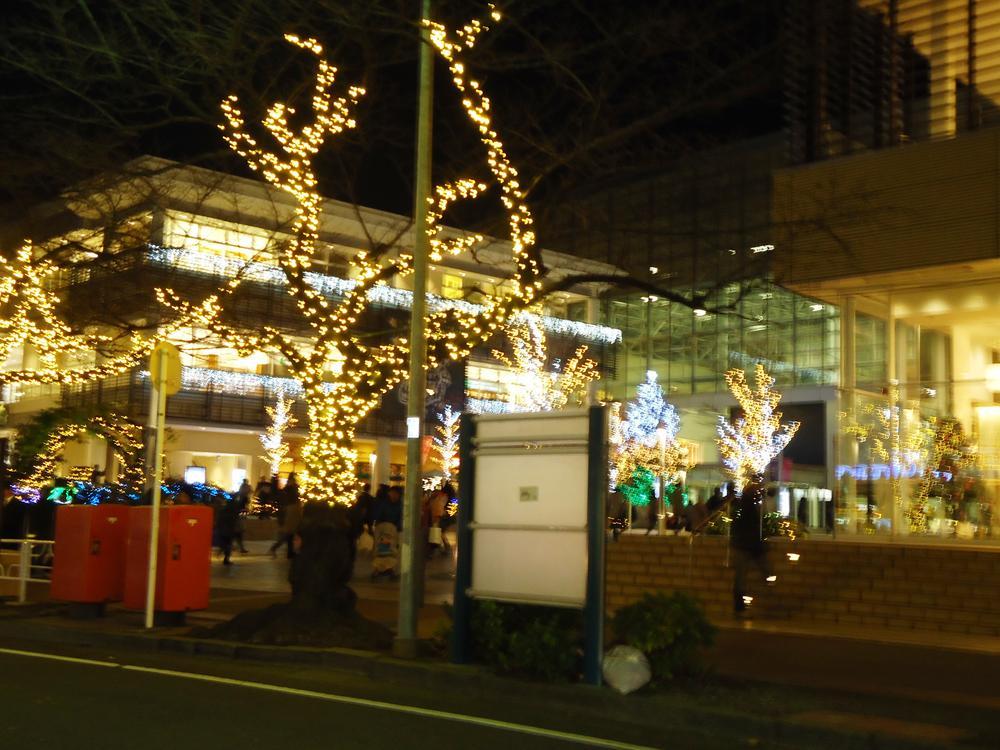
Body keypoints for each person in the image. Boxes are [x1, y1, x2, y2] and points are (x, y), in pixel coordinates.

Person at [731, 476, 773, 616]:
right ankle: (740, 606)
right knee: (742, 576)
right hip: (747, 544)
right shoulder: (749, 506)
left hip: (744, 543)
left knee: (741, 577)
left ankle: (740, 606)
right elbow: (751, 526)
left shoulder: (743, 505)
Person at [270, 490, 302, 559]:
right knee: (286, 539)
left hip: (289, 526)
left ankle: (289, 553)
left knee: (287, 540)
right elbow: (297, 517)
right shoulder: (296, 506)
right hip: (292, 526)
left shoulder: (289, 506)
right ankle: (275, 549)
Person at [215, 496, 241, 565]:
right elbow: (234, 522)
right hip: (229, 530)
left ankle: (222, 552)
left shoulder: (223, 511)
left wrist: (218, 527)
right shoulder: (233, 512)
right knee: (228, 544)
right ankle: (226, 558)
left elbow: (219, 521)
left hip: (223, 530)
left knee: (225, 544)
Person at [233, 478, 252, 553]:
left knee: (238, 534)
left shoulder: (240, 494)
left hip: (239, 516)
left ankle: (240, 547)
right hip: (239, 517)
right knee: (238, 533)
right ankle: (240, 548)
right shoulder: (243, 496)